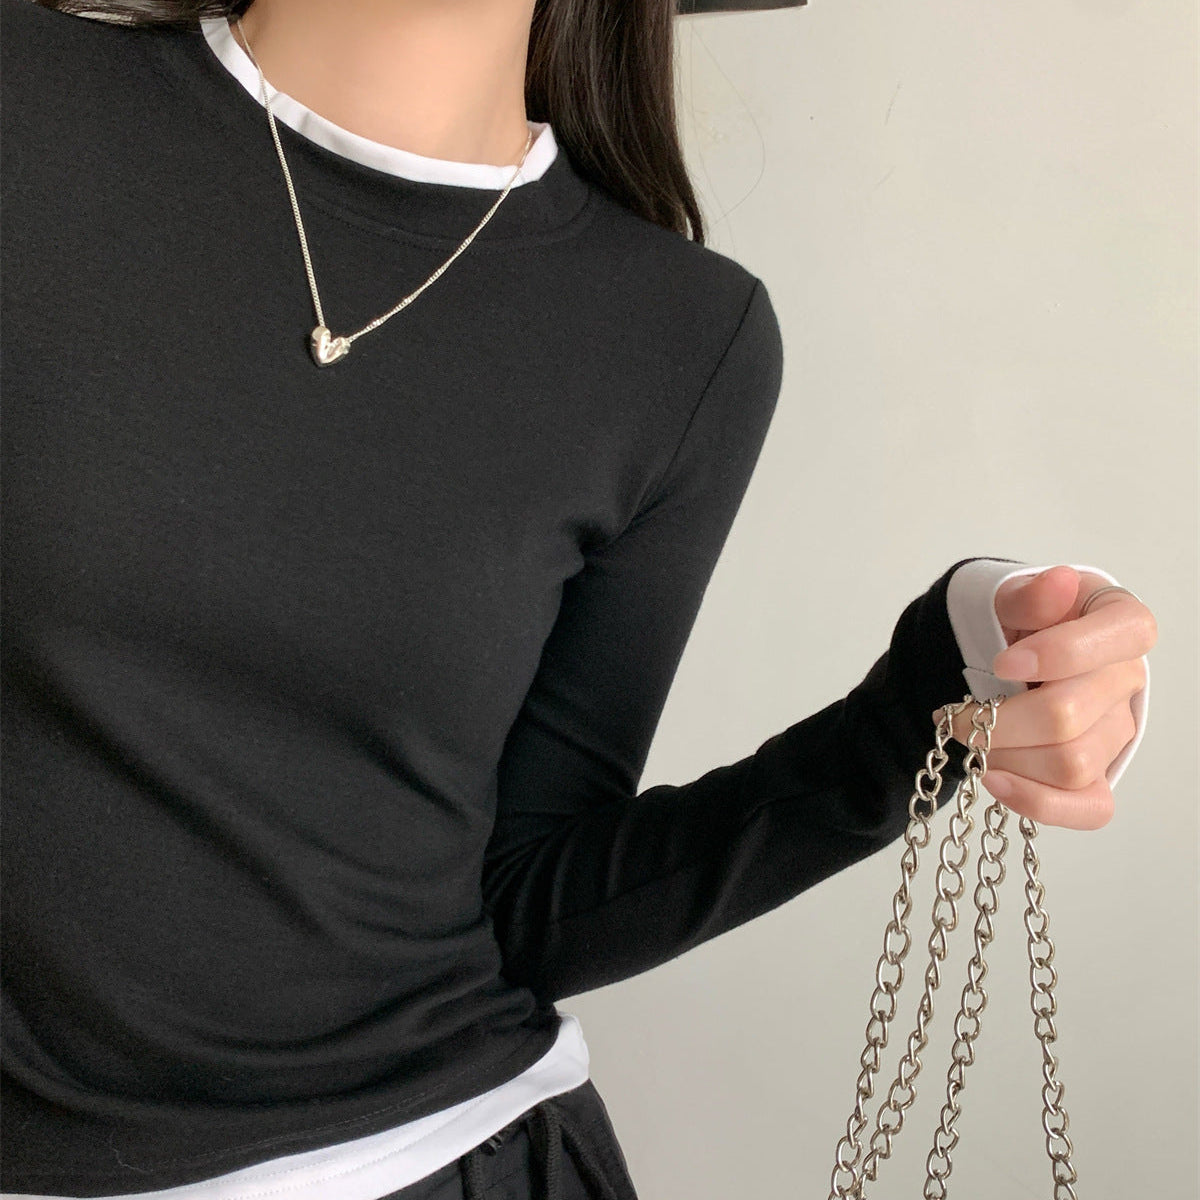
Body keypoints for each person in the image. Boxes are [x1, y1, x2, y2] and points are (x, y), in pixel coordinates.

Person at [0, 1, 1155, 1198]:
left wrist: (952, 681)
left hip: (450, 1159)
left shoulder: (683, 337)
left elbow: (528, 897)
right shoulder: (29, 95)